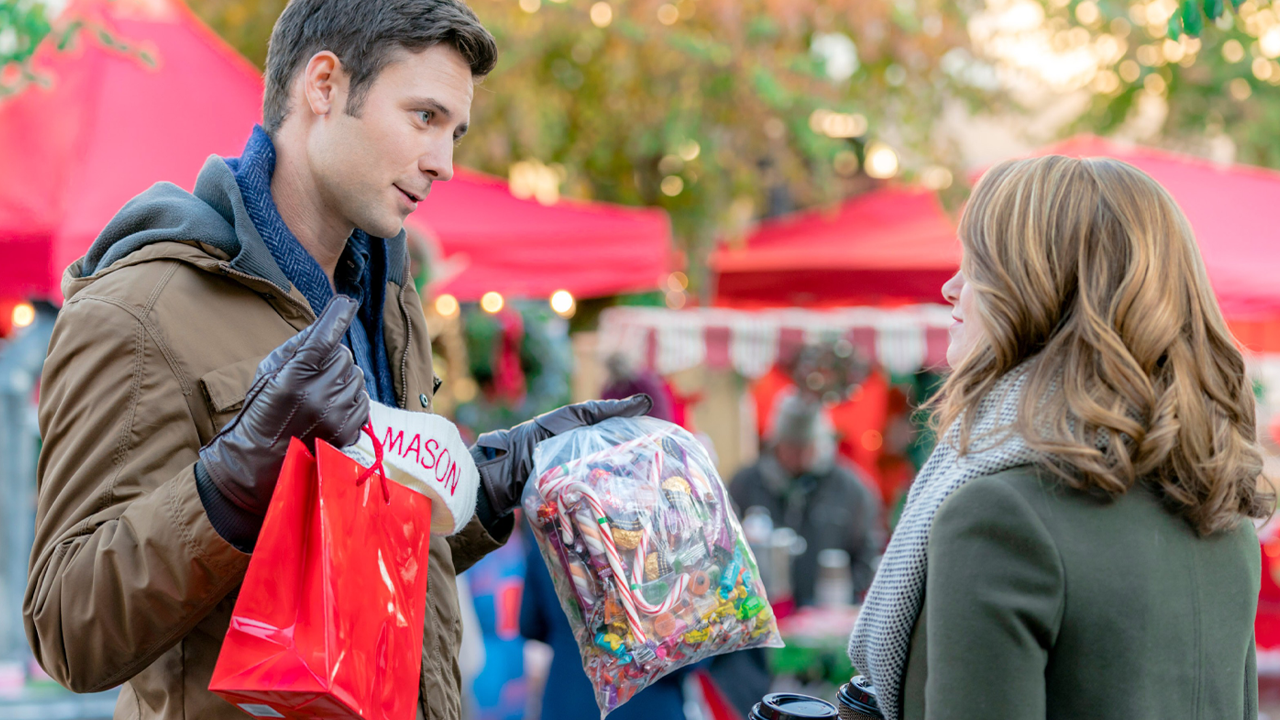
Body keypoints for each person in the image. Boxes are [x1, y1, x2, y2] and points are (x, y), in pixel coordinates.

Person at [23, 2, 649, 719]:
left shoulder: (387, 296)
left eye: (455, 131)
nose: (444, 162)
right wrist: (230, 484)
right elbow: (68, 633)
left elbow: (366, 562)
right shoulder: (138, 307)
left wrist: (484, 487)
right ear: (323, 85)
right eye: (424, 117)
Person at [847, 155, 1273, 720]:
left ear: (1039, 288)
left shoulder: (1001, 513)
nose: (952, 287)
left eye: (977, 265)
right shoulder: (1223, 515)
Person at [730, 393, 882, 606]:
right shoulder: (745, 484)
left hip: (829, 614)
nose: (799, 455)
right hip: (760, 612)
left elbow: (868, 551)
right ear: (776, 443)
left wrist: (847, 595)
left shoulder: (850, 489)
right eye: (791, 446)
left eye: (806, 446)